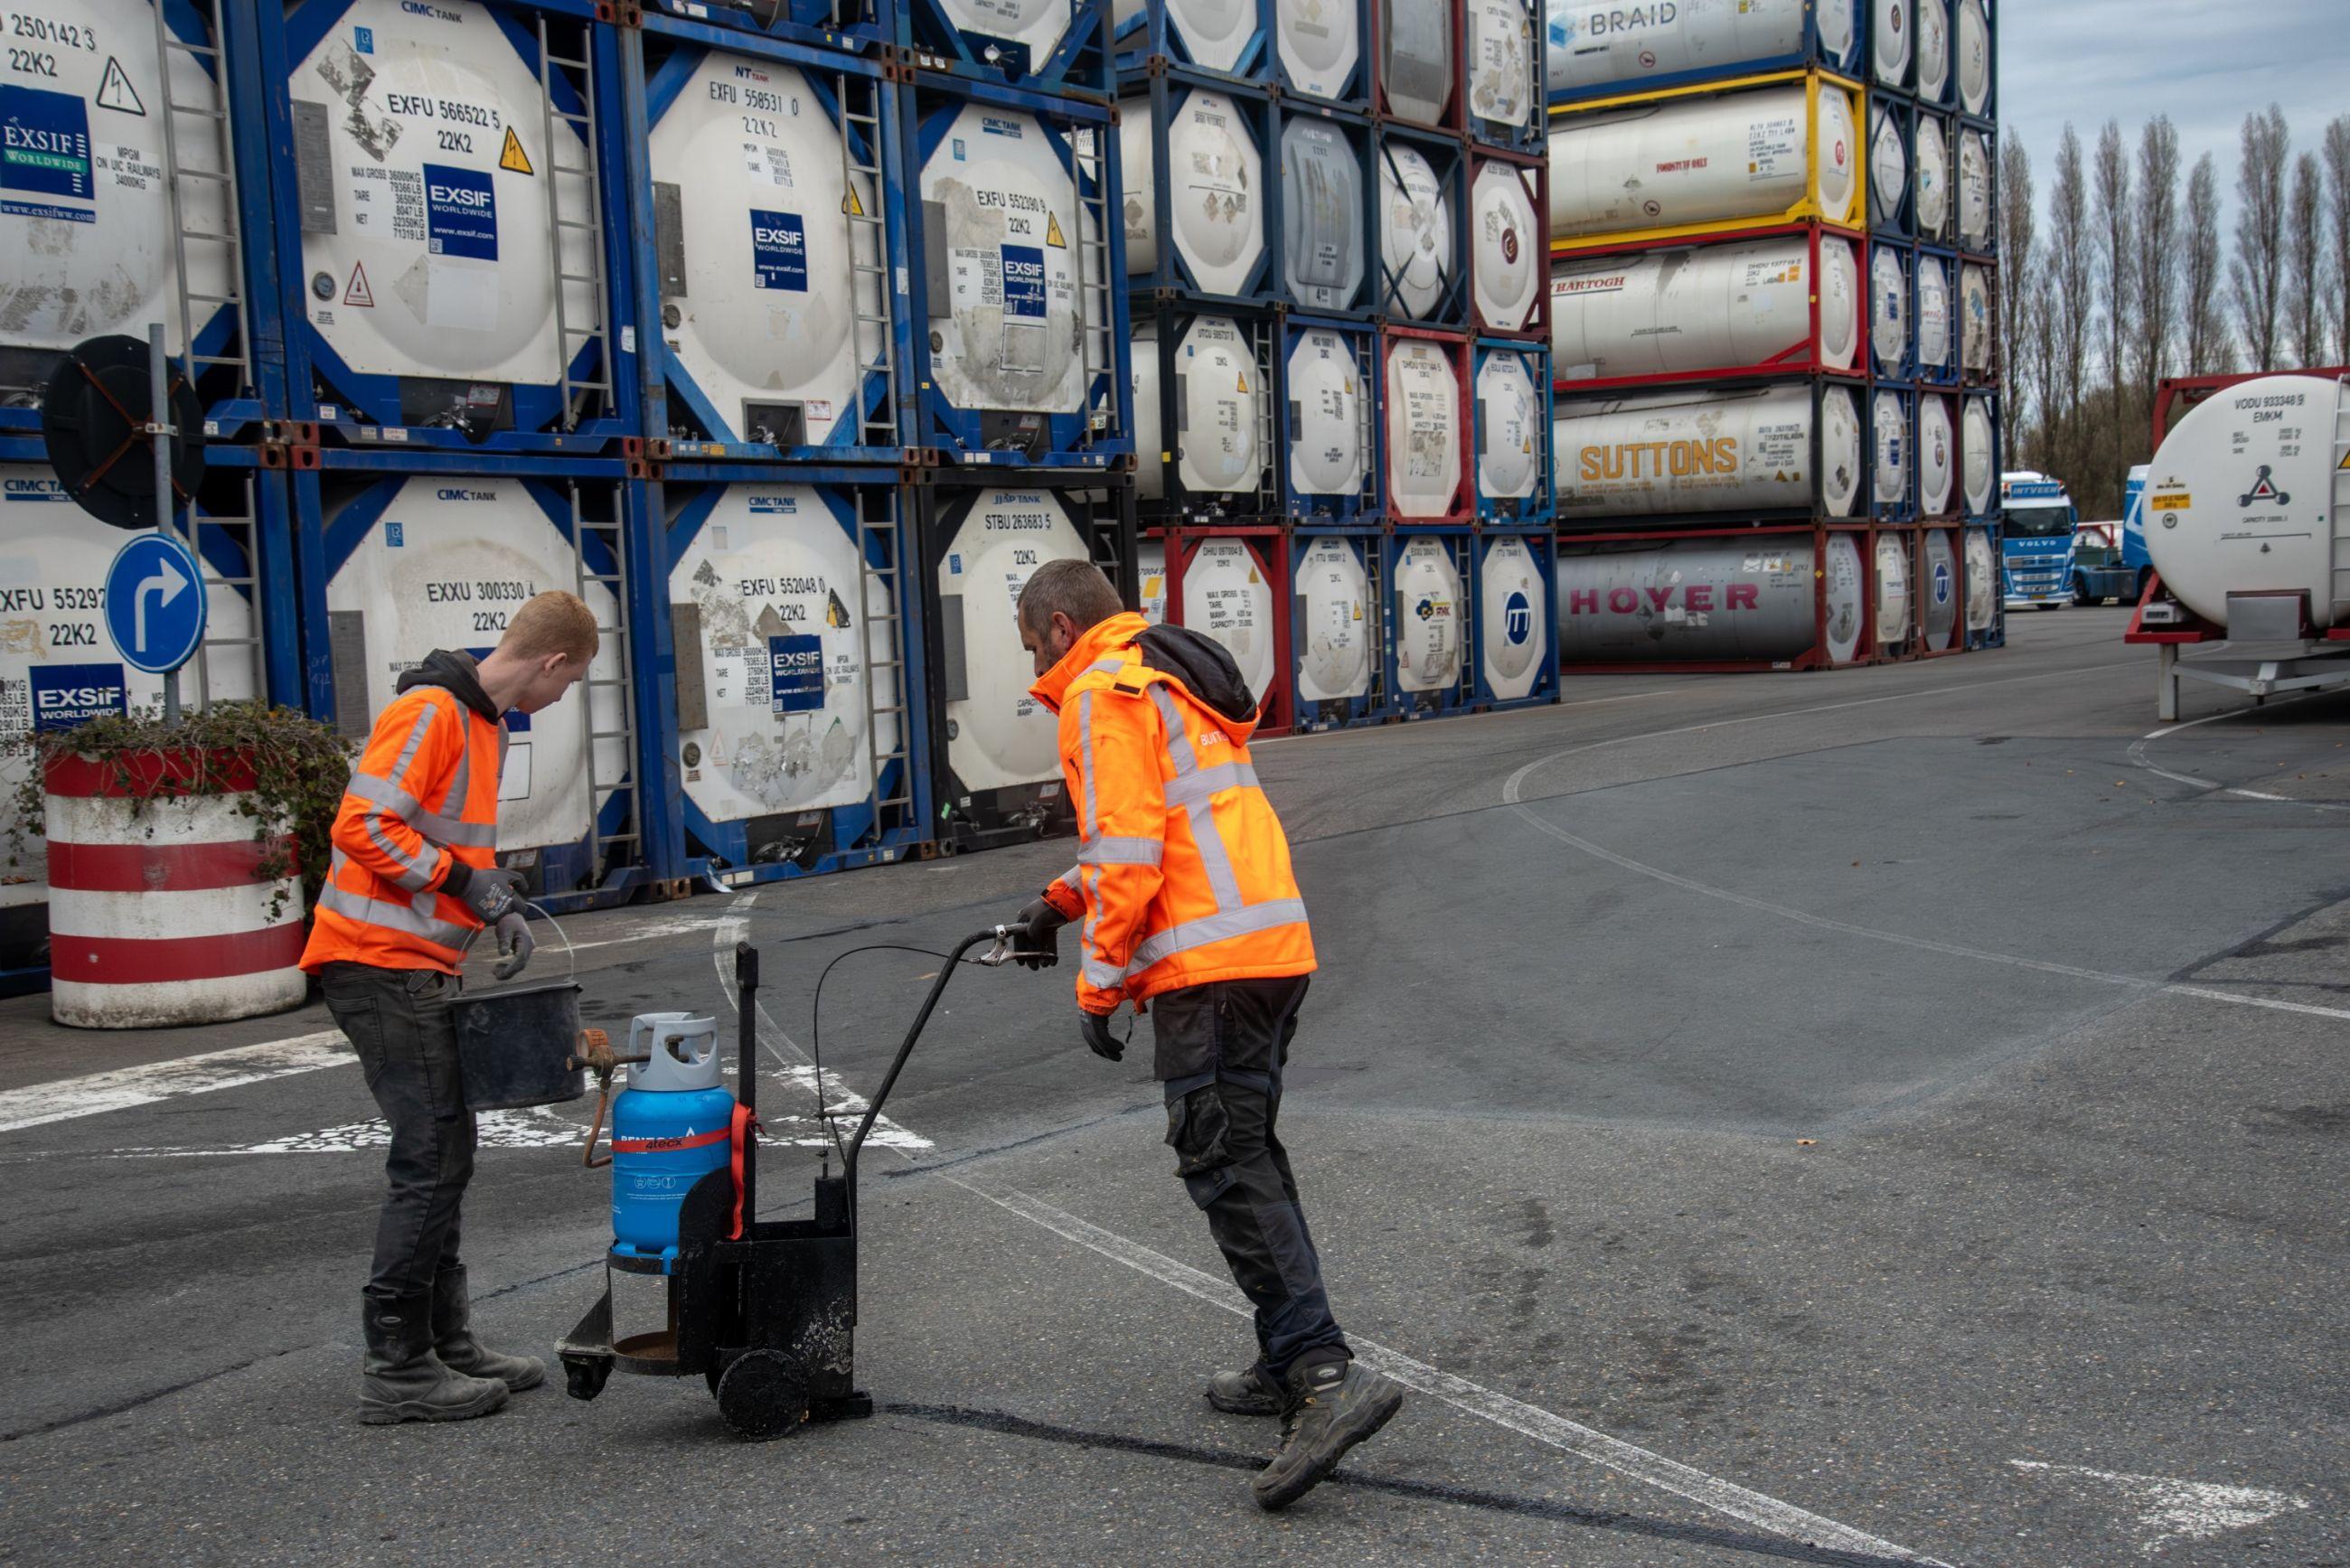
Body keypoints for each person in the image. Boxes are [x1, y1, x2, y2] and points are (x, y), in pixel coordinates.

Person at [1006, 559, 1403, 1510]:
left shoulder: (1100, 691)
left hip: (1209, 969)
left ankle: (1319, 1375)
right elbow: (1168, 820)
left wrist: (1097, 983)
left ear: (1060, 627)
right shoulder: (1171, 677)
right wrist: (1058, 904)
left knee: (1222, 1164)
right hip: (1267, 947)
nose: (1035, 668)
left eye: (1031, 647)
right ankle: (1289, 1356)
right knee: (1248, 1152)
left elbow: (1132, 847)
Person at [299, 592, 598, 1425]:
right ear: (551, 662)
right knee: (429, 1156)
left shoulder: (481, 724)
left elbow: (442, 846)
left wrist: (489, 903)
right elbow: (363, 827)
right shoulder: (430, 712)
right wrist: (467, 883)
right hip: (375, 962)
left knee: (447, 1149)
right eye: (571, 682)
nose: (564, 697)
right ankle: (397, 1366)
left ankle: (443, 1342)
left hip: (415, 963)